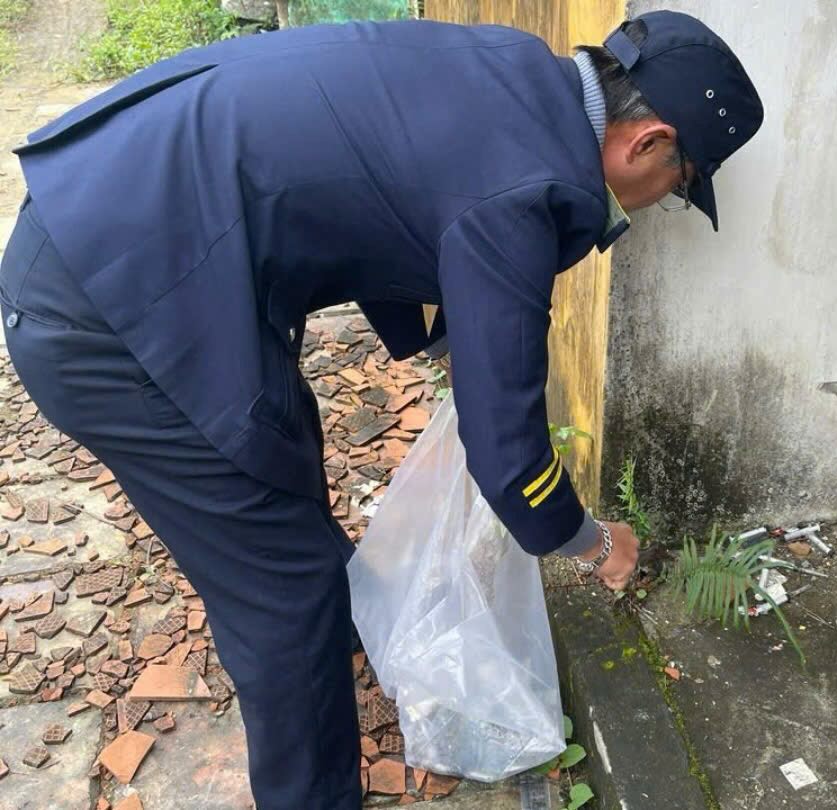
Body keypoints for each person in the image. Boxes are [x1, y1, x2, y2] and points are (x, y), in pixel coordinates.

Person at [0, 9, 762, 808]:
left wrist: (458, 343)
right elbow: (508, 455)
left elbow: (383, 191)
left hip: (124, 227)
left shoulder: (515, 74)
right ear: (646, 142)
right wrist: (592, 541)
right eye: (680, 185)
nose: (661, 201)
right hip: (108, 309)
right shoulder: (528, 189)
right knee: (281, 590)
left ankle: (345, 624)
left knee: (279, 449)